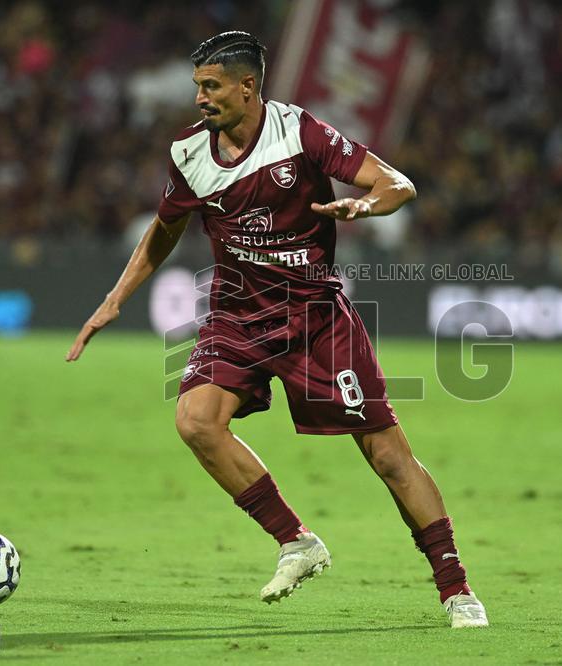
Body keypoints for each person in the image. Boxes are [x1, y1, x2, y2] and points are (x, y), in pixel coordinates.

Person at [66, 31, 487, 629]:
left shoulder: (300, 133)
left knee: (389, 457)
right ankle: (297, 541)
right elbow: (164, 228)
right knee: (195, 421)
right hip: (237, 315)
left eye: (211, 87)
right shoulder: (188, 153)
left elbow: (397, 184)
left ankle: (456, 589)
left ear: (248, 87)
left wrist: (362, 207)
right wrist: (114, 299)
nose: (201, 98)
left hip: (315, 317)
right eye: (197, 87)